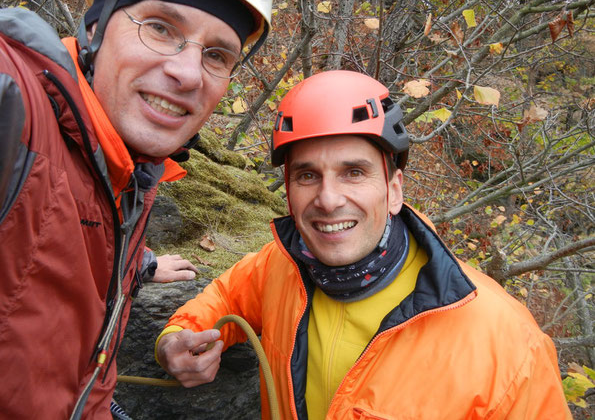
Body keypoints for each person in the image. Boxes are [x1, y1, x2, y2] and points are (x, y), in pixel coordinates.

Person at [155, 70, 571, 419]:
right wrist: (176, 337)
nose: (328, 199)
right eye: (306, 175)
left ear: (393, 190)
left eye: (354, 172)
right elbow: (227, 295)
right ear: (288, 191)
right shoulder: (283, 265)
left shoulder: (507, 344)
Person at [0, 0, 274, 418]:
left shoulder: (131, 176)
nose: (187, 73)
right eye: (161, 27)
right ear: (98, 26)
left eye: (217, 55)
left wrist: (138, 262)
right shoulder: (18, 106)